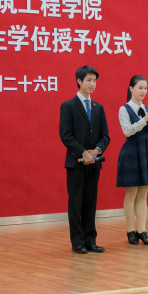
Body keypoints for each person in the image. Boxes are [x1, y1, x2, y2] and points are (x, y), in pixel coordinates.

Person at [59, 65, 110, 254]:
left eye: (94, 81)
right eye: (88, 80)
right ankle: (77, 242)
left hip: (94, 163)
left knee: (90, 202)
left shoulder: (98, 108)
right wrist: (83, 152)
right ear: (79, 81)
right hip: (76, 163)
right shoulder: (68, 106)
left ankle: (90, 240)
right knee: (76, 203)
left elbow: (105, 136)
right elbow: (66, 135)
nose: (92, 84)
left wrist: (97, 150)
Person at [116, 75, 148, 245]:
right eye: (140, 88)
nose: (143, 91)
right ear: (131, 89)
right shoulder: (124, 109)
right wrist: (145, 119)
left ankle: (142, 231)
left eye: (145, 88)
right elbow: (127, 131)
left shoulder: (147, 110)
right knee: (131, 193)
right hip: (131, 153)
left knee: (143, 193)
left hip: (146, 152)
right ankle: (130, 231)